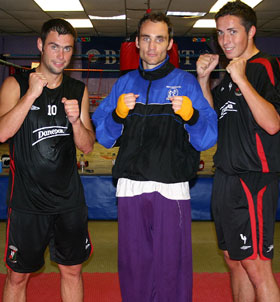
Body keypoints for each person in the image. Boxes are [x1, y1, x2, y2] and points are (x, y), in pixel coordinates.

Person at [92, 12, 217, 302]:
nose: (152, 46)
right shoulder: (124, 83)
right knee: (134, 264)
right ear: (136, 42)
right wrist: (117, 115)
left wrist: (193, 115)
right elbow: (104, 135)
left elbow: (208, 136)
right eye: (146, 38)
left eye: (159, 39)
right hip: (131, 184)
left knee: (172, 264)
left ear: (169, 44)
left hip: (171, 186)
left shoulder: (185, 84)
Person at [0, 18, 95, 302]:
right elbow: (2, 132)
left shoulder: (77, 91)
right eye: (54, 47)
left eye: (67, 49)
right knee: (17, 276)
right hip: (28, 204)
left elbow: (88, 146)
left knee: (72, 271)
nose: (61, 56)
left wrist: (77, 121)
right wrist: (31, 94)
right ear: (41, 45)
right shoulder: (15, 84)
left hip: (69, 203)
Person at [196, 2, 280, 301]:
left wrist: (242, 78)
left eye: (232, 32)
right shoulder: (227, 79)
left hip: (254, 179)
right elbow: (212, 121)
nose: (225, 40)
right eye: (220, 33)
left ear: (252, 31)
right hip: (226, 178)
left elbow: (272, 124)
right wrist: (205, 80)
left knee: (257, 266)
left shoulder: (265, 67)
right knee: (235, 260)